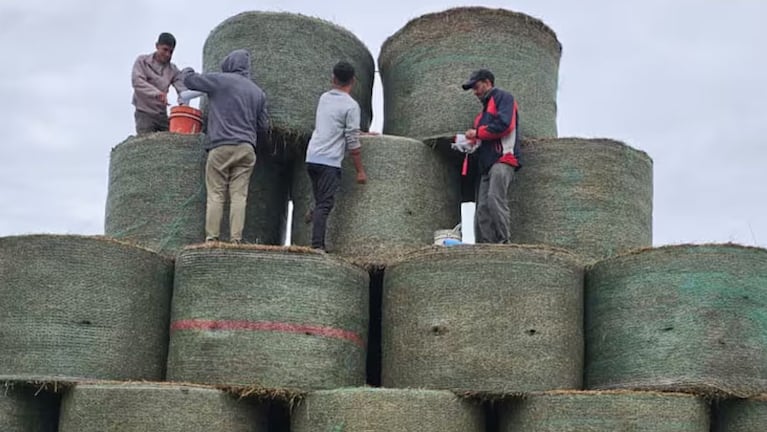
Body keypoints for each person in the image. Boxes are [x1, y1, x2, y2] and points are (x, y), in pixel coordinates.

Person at [180, 49, 270, 244]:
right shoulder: (258, 92)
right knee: (239, 196)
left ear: (229, 64)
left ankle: (212, 238)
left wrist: (186, 70)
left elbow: (190, 81)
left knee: (216, 194)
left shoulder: (220, 80)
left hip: (220, 146)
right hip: (246, 148)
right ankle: (236, 239)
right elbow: (263, 126)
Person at [305, 61, 367, 251]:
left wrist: (360, 133)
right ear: (353, 81)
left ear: (333, 78)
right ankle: (317, 247)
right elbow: (352, 142)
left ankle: (314, 213)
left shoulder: (324, 98)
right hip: (329, 162)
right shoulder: (351, 106)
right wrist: (360, 171)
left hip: (312, 157)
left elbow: (334, 125)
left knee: (321, 200)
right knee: (326, 204)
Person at [461, 69, 520, 244]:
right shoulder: (481, 116)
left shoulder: (503, 98)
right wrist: (470, 142)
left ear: (487, 83)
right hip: (486, 165)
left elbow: (504, 125)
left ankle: (504, 241)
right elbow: (482, 138)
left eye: (476, 86)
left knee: (495, 199)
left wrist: (477, 132)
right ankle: (488, 248)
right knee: (482, 209)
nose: (475, 92)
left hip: (503, 159)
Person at [131, 32, 187, 134]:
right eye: (165, 50)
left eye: (171, 52)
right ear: (157, 46)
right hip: (144, 113)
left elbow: (181, 87)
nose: (167, 54)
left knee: (171, 141)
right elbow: (137, 81)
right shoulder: (142, 61)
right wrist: (157, 93)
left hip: (161, 115)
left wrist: (183, 102)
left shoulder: (173, 70)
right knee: (146, 144)